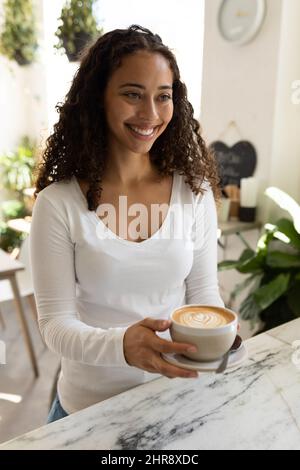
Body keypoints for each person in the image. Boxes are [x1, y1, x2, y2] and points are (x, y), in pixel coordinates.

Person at [30, 25, 224, 423]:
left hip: (173, 401)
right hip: (87, 412)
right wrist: (123, 345)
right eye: (132, 94)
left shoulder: (194, 192)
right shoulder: (58, 204)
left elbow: (205, 297)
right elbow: (55, 326)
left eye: (163, 97)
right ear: (98, 98)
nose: (150, 114)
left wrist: (218, 346)